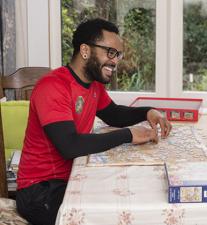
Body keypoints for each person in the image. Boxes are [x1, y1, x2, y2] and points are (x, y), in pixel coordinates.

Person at [16, 18, 172, 225]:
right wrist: (128, 135)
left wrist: (149, 112)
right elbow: (69, 146)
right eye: (110, 52)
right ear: (85, 51)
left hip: (71, 177)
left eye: (117, 54)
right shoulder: (53, 86)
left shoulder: (94, 86)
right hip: (40, 190)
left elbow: (114, 114)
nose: (115, 61)